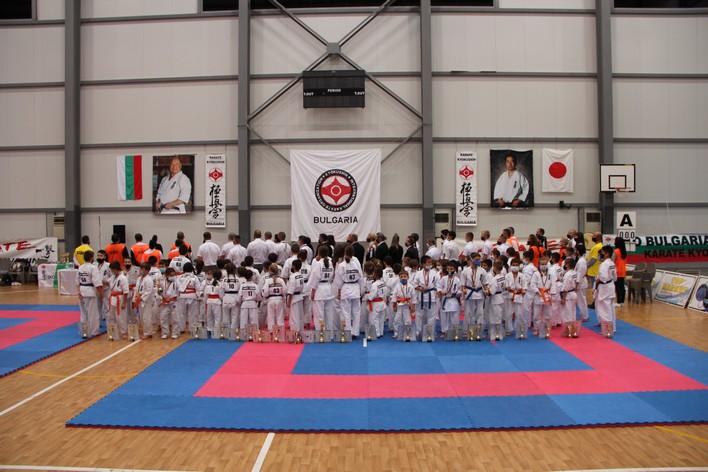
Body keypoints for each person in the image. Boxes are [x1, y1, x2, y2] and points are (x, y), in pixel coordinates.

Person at [333, 245, 364, 338]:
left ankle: (348, 332)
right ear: (353, 253)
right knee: (356, 312)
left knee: (346, 312)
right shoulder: (356, 262)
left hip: (345, 288)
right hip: (355, 288)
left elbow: (338, 280)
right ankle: (356, 332)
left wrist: (338, 291)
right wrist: (361, 289)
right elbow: (361, 277)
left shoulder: (342, 265)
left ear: (345, 253)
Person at [308, 245, 336, 331]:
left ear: (319, 253)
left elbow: (315, 279)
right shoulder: (331, 263)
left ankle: (321, 334)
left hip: (319, 290)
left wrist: (312, 292)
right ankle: (330, 334)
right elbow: (333, 276)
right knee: (329, 314)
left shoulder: (319, 264)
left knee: (319, 315)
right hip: (329, 288)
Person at [412, 256, 440, 340]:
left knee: (431, 316)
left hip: (431, 296)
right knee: (419, 315)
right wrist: (419, 288)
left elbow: (438, 285)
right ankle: (419, 332)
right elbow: (414, 284)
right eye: (428, 262)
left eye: (431, 263)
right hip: (421, 296)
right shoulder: (418, 273)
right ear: (423, 264)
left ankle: (429, 333)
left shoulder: (435, 273)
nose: (430, 264)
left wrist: (438, 291)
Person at [77, 250, 102, 338]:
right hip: (90, 291)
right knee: (93, 313)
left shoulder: (80, 267)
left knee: (83, 313)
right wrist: (100, 293)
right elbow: (97, 283)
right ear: (92, 258)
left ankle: (84, 332)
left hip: (82, 290)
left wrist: (79, 292)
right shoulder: (93, 268)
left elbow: (77, 281)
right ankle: (94, 332)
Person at [530, 255, 555, 338]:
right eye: (542, 264)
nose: (543, 266)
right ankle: (536, 328)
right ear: (539, 265)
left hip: (547, 295)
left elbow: (553, 284)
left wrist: (551, 293)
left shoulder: (551, 274)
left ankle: (545, 328)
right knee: (536, 315)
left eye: (545, 264)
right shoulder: (536, 274)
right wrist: (538, 291)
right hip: (539, 295)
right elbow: (532, 285)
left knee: (547, 314)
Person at [460, 253, 487, 332]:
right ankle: (467, 330)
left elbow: (485, 283)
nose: (478, 261)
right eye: (476, 259)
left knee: (480, 313)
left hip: (479, 293)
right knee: (468, 313)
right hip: (469, 293)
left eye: (479, 259)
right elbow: (463, 284)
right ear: (471, 259)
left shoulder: (482, 271)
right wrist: (463, 289)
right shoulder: (465, 271)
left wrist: (487, 289)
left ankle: (479, 331)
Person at [594, 245, 617, 335]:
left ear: (607, 254)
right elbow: (615, 277)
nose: (600, 254)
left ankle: (607, 330)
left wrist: (597, 280)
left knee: (604, 309)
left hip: (605, 287)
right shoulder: (612, 263)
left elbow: (603, 277)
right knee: (611, 308)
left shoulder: (604, 264)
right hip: (611, 286)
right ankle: (612, 328)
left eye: (602, 252)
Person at [437, 261, 461, 337]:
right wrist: (441, 291)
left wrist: (459, 293)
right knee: (444, 316)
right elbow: (438, 287)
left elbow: (460, 288)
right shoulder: (444, 278)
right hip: (445, 299)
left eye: (451, 269)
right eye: (448, 269)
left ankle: (455, 331)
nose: (449, 271)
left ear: (455, 270)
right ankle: (444, 331)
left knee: (454, 316)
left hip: (453, 299)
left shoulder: (457, 279)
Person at [107, 261, 129, 340]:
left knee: (121, 316)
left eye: (112, 270)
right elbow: (107, 281)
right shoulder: (113, 277)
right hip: (113, 298)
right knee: (111, 316)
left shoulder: (123, 278)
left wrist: (124, 303)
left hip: (120, 298)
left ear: (115, 269)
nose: (111, 271)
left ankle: (124, 332)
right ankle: (113, 331)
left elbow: (126, 292)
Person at [505, 258, 526, 337]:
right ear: (510, 266)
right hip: (510, 296)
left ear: (519, 266)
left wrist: (523, 291)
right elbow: (506, 286)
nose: (515, 267)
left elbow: (524, 287)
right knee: (509, 313)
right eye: (513, 265)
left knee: (519, 314)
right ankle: (508, 329)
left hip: (519, 296)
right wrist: (509, 289)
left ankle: (518, 329)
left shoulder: (522, 276)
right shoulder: (507, 275)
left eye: (517, 265)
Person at [133, 262, 155, 339]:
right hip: (139, 298)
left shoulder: (149, 279)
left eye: (143, 269)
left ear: (147, 270)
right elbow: (136, 289)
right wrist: (135, 298)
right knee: (142, 317)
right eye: (141, 268)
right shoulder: (139, 278)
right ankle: (146, 331)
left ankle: (148, 333)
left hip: (146, 300)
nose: (141, 270)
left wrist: (142, 297)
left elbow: (149, 290)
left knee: (146, 317)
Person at [365, 268, 389, 339]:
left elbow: (373, 293)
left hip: (376, 304)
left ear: (374, 275)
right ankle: (381, 332)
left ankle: (376, 333)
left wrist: (368, 298)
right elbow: (386, 292)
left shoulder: (375, 284)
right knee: (381, 319)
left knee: (374, 319)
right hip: (382, 302)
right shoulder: (383, 283)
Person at [392, 269, 416, 339]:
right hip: (399, 305)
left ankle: (408, 333)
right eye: (401, 277)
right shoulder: (397, 286)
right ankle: (396, 333)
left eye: (405, 276)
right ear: (399, 278)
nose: (403, 278)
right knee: (397, 320)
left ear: (408, 277)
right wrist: (394, 306)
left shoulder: (411, 286)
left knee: (407, 320)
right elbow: (394, 296)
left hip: (407, 305)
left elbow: (414, 297)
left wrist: (413, 306)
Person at [237, 267, 261, 336]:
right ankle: (255, 334)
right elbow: (258, 296)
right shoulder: (255, 286)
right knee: (254, 320)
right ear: (252, 276)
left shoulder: (242, 286)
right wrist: (257, 300)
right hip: (253, 303)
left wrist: (239, 301)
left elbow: (239, 296)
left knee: (243, 320)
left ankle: (243, 334)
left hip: (244, 303)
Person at [178, 262, 201, 333]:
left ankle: (181, 329)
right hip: (192, 296)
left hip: (182, 296)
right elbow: (198, 288)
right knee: (192, 313)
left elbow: (178, 287)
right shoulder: (195, 277)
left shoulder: (180, 277)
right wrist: (198, 296)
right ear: (192, 269)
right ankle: (192, 329)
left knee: (182, 313)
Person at [262, 264, 286, 333]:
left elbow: (265, 291)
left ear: (269, 271)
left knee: (271, 316)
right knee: (280, 316)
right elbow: (285, 290)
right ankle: (281, 331)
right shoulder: (281, 280)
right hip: (279, 299)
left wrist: (266, 297)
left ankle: (271, 331)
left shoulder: (268, 281)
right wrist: (283, 297)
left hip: (271, 299)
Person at [487, 260, 507, 340]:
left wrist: (487, 291)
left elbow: (492, 291)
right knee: (499, 316)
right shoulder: (503, 277)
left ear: (494, 268)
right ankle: (499, 334)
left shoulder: (495, 279)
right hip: (501, 297)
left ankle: (495, 334)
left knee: (494, 317)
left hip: (495, 299)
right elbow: (505, 287)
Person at [158, 267, 180, 339]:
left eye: (173, 275)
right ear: (167, 275)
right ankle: (165, 333)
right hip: (165, 302)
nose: (172, 277)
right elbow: (159, 292)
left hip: (174, 302)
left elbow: (180, 289)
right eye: (171, 275)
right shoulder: (162, 282)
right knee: (163, 317)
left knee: (175, 318)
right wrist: (159, 289)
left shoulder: (176, 282)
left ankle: (175, 333)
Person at [560, 257, 579, 338]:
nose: (564, 265)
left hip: (568, 294)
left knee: (567, 313)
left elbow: (565, 288)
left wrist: (563, 298)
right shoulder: (574, 273)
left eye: (565, 264)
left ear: (567, 265)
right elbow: (576, 284)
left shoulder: (567, 275)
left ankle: (569, 331)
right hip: (573, 293)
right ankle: (574, 331)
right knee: (573, 313)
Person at [201, 267, 223, 337]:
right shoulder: (219, 284)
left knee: (209, 316)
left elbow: (205, 294)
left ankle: (209, 330)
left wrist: (206, 301)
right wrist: (222, 300)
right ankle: (216, 331)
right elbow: (221, 294)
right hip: (216, 301)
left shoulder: (209, 283)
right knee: (217, 317)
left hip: (209, 301)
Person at [286, 259, 306, 334]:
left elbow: (290, 291)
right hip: (300, 297)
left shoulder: (293, 277)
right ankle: (301, 333)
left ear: (293, 266)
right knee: (300, 317)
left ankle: (295, 334)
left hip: (294, 298)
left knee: (294, 318)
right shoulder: (301, 275)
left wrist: (288, 302)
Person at [222, 263, 241, 335]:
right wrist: (238, 300)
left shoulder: (224, 279)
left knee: (225, 316)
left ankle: (226, 333)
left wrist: (223, 298)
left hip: (226, 297)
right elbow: (240, 291)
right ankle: (233, 333)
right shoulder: (238, 279)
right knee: (235, 316)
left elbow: (221, 290)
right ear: (235, 270)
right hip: (235, 297)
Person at [586, 232, 604, 308]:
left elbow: (593, 259)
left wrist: (586, 265)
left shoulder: (598, 247)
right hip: (593, 270)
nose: (592, 237)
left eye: (594, 236)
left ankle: (596, 302)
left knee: (595, 288)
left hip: (595, 271)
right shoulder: (596, 246)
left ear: (598, 237)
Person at [613, 237, 627, 307]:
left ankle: (618, 301)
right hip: (623, 271)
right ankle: (622, 301)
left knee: (617, 287)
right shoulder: (624, 251)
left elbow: (612, 260)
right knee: (622, 286)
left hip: (617, 271)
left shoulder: (616, 251)